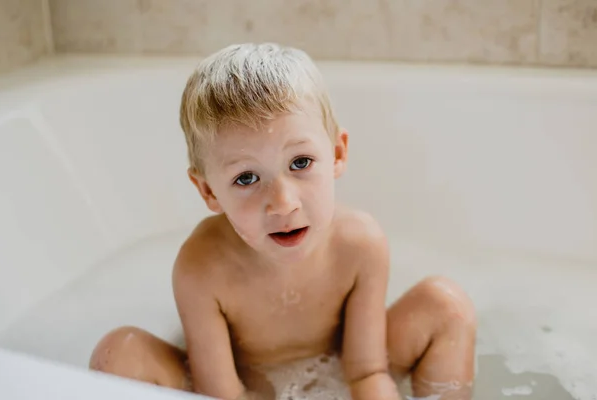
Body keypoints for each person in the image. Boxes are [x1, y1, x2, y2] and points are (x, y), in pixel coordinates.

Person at [89, 43, 477, 400]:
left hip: (344, 366)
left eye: (301, 163)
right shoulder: (202, 268)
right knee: (119, 354)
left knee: (446, 305)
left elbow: (367, 372)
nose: (282, 204)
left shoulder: (360, 244)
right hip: (240, 385)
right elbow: (221, 394)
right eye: (246, 178)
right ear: (208, 191)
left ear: (338, 153)